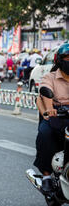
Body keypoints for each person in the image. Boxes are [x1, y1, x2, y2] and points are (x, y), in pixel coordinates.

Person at [33, 43, 69, 195]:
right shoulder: (50, 77)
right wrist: (49, 109)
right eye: (67, 58)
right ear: (59, 60)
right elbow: (44, 91)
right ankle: (47, 176)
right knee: (45, 133)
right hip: (57, 115)